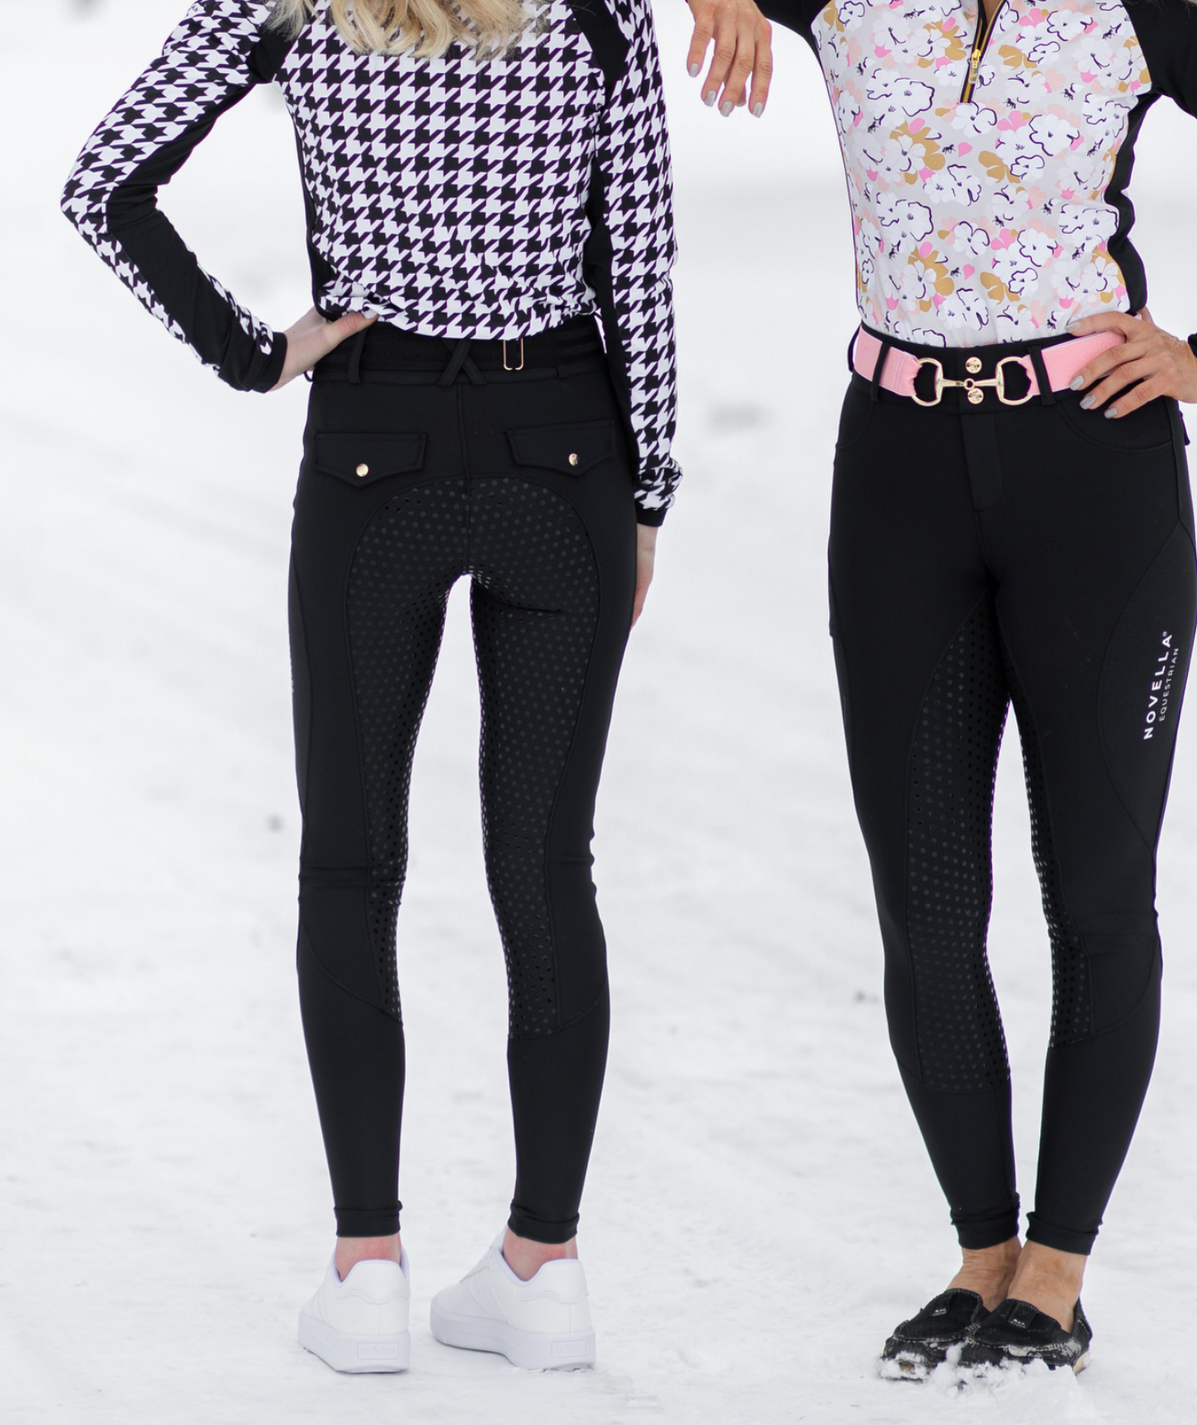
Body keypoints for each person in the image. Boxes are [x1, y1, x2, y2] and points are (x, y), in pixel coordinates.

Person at [61, 0, 772, 1376]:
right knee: (547, 866)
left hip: (371, 447)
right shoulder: (601, 10)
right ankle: (543, 1268)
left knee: (351, 862)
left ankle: (367, 1268)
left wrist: (252, 351)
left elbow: (105, 183)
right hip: (564, 447)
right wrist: (648, 492)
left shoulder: (288, 7)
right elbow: (640, 256)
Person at [750, 0, 1197, 1375]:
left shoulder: (1145, 13)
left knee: (1096, 893)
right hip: (898, 482)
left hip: (1095, 479)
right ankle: (980, 1257)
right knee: (924, 901)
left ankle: (1057, 1271)